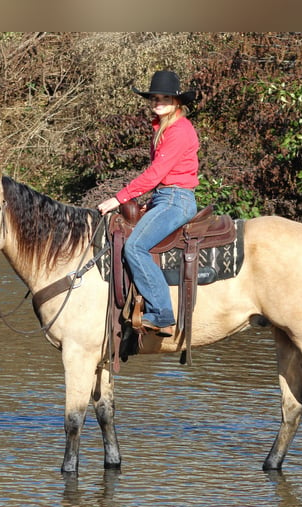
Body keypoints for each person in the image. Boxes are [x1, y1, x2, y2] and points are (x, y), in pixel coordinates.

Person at [97, 70, 199, 337]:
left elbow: (156, 174)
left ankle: (162, 314)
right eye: (154, 98)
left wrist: (119, 198)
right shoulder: (163, 128)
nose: (158, 102)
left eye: (165, 97)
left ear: (177, 101)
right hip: (165, 197)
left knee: (135, 246)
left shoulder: (179, 131)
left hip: (176, 199)